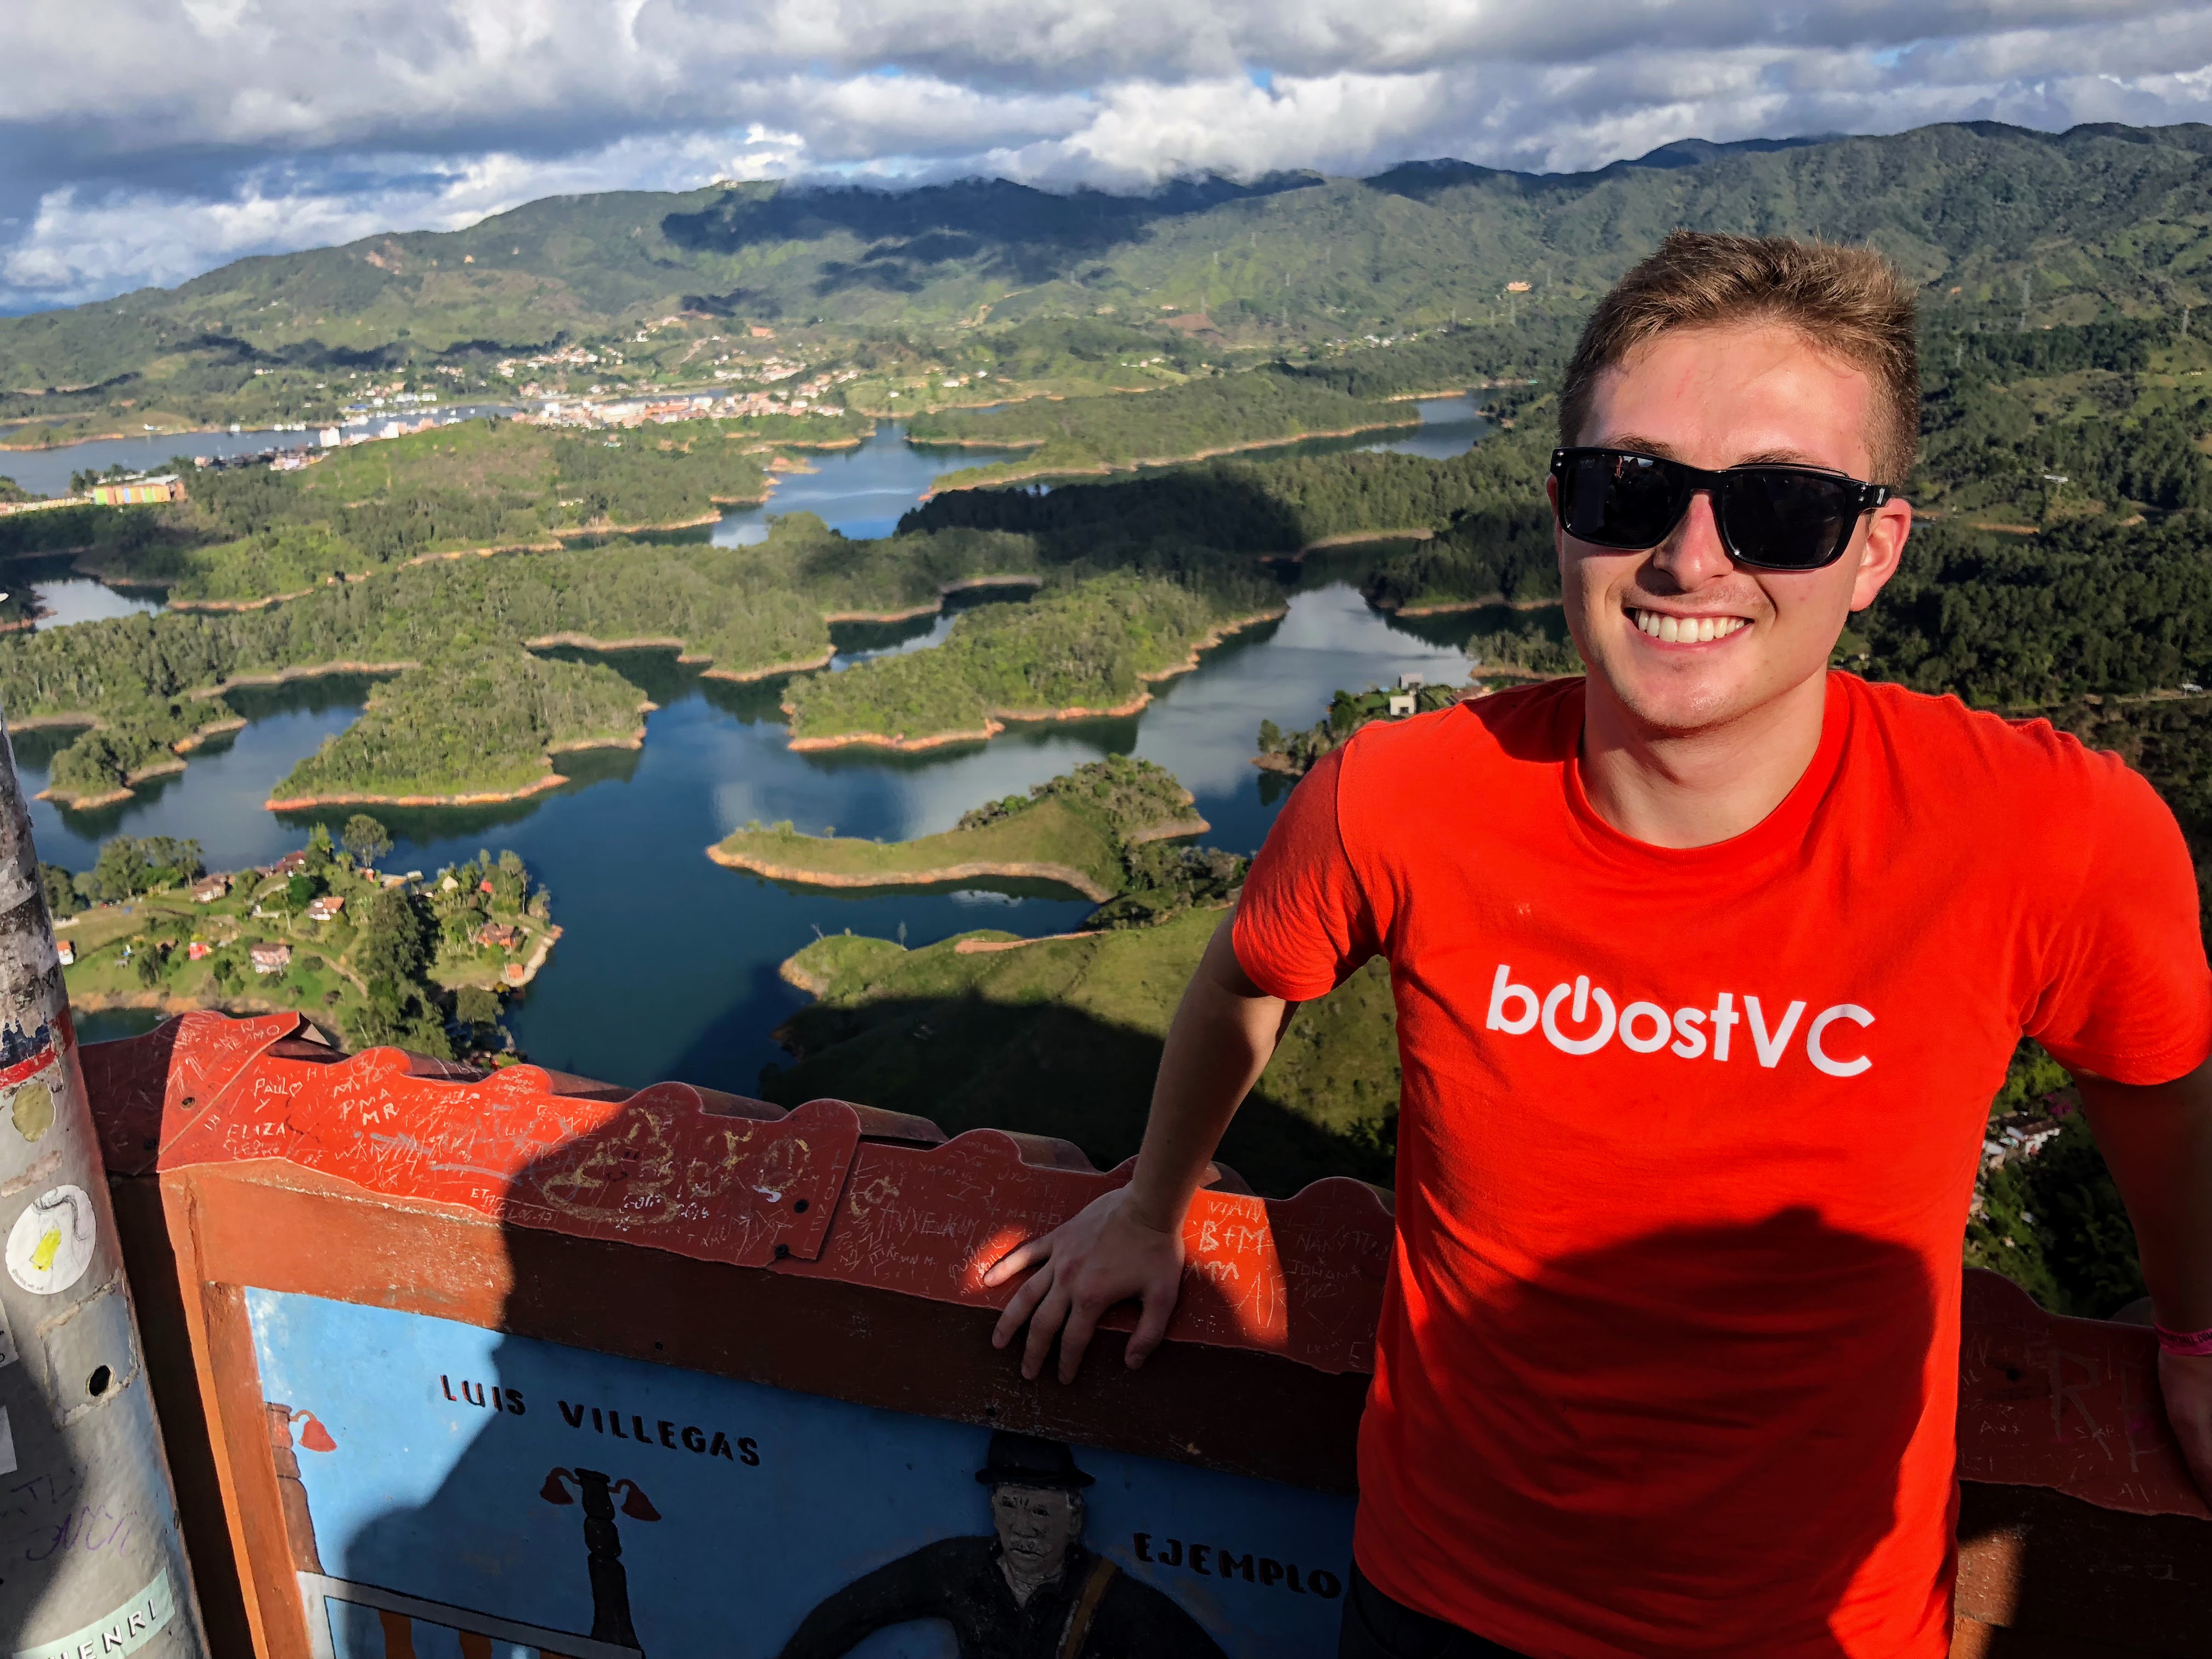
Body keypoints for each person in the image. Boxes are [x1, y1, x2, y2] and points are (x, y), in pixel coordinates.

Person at [983, 232, 2212, 1659]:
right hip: (1440, 1599)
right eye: (1630, 489)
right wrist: (1152, 1208)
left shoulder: (2047, 836)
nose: (1691, 558)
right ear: (1562, 515)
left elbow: (2160, 1094)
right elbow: (1249, 976)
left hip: (1823, 1629)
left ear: (1877, 548)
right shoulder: (1398, 800)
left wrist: (2195, 1338)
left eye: (1783, 508)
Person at [775, 1431, 1227, 1659]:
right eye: (1010, 1506)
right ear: (993, 1511)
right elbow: (853, 1611)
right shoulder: (960, 1568)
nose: (1022, 1528)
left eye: (1041, 1512)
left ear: (1074, 1521)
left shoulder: (1110, 1597)